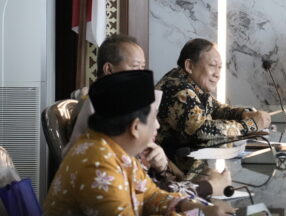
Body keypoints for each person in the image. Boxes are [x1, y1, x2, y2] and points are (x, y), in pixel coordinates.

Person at [43, 70, 234, 216]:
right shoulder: (96, 164)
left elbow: (151, 195)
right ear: (135, 127)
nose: (157, 125)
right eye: (153, 118)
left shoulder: (114, 148)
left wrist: (199, 207)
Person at [64, 34, 231, 197]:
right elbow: (147, 194)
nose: (142, 75)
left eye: (143, 67)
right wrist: (208, 187)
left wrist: (163, 167)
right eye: (135, 67)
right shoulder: (103, 109)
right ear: (109, 69)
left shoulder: (123, 104)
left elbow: (150, 190)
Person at [156, 38, 271, 171]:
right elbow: (201, 130)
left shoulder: (188, 81)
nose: (217, 74)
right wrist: (250, 125)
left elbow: (216, 108)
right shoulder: (178, 89)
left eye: (219, 67)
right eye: (212, 65)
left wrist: (244, 114)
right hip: (172, 172)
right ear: (189, 66)